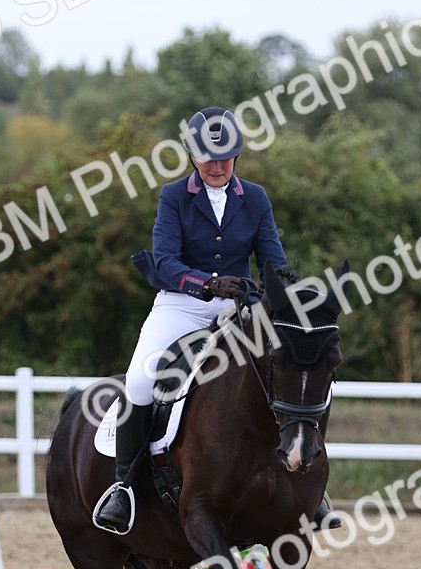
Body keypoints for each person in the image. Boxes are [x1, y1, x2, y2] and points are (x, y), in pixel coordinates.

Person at [95, 106, 340, 534]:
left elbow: (273, 260)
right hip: (181, 304)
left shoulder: (256, 198)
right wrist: (205, 284)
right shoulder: (174, 196)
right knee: (139, 380)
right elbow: (167, 260)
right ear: (192, 156)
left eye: (225, 157)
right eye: (208, 157)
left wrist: (287, 292)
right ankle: (124, 486)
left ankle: (309, 485)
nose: (217, 166)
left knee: (294, 366)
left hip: (242, 307)